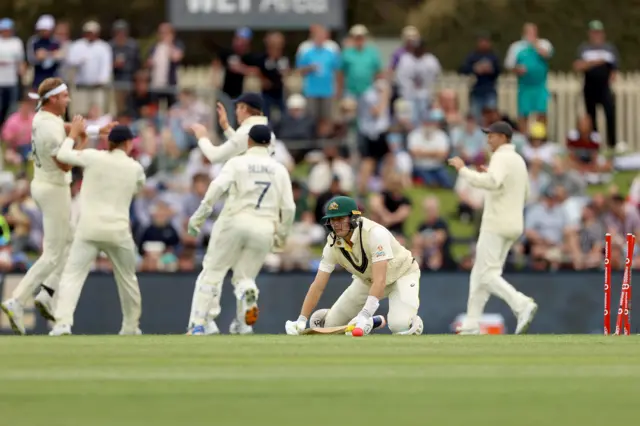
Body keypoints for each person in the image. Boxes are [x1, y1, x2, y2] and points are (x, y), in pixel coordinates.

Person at [0, 78, 112, 335]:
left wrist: (95, 131)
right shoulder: (49, 128)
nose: (68, 100)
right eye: (64, 96)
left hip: (43, 184)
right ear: (52, 99)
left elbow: (65, 127)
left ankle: (47, 293)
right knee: (53, 253)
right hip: (54, 188)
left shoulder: (43, 117)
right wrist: (78, 139)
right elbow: (65, 162)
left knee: (71, 241)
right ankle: (17, 300)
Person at [186, 125, 295, 335]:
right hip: (265, 227)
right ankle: (244, 320)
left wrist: (198, 218)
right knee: (245, 277)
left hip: (234, 222)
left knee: (213, 272)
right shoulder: (279, 169)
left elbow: (216, 188)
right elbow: (289, 207)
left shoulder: (237, 163)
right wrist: (281, 236)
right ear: (269, 144)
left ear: (249, 142)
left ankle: (199, 324)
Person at [49, 121, 146, 336]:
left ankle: (62, 323)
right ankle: (130, 327)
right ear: (128, 143)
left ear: (108, 142)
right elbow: (138, 186)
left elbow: (64, 154)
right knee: (127, 279)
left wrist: (74, 135)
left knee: (72, 275)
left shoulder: (93, 157)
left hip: (89, 228)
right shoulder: (135, 168)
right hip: (118, 231)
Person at [285, 196, 423, 337]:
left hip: (401, 275)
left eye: (340, 219)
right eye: (333, 220)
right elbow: (318, 285)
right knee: (329, 326)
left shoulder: (375, 234)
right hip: (367, 281)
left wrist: (364, 314)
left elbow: (380, 281)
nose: (336, 224)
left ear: (353, 218)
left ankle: (409, 322)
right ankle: (372, 322)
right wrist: (301, 320)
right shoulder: (332, 243)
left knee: (399, 327)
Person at [448, 121, 538, 335]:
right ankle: (471, 323)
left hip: (495, 224)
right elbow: (525, 193)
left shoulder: (501, 157)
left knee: (487, 275)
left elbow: (492, 182)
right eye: (487, 136)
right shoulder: (518, 160)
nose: (488, 139)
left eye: (492, 136)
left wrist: (463, 171)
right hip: (514, 224)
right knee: (480, 273)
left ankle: (521, 303)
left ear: (505, 138)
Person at [191, 93, 274, 164]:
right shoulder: (268, 132)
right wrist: (226, 127)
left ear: (244, 108)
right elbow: (242, 144)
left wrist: (202, 137)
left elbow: (215, 156)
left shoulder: (246, 131)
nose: (235, 112)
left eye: (237, 107)